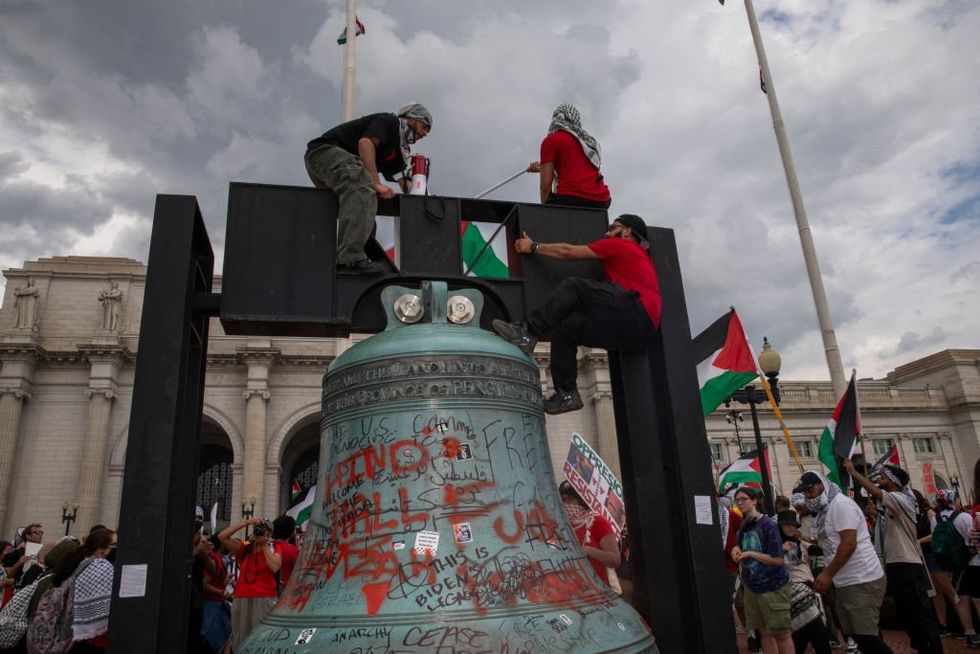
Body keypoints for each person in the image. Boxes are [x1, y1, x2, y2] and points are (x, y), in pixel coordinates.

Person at [492, 214, 661, 414]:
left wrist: (534, 246)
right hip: (639, 335)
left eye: (612, 227)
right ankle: (567, 394)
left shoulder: (621, 245)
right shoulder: (642, 260)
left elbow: (567, 251)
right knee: (566, 330)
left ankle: (528, 331)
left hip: (634, 310)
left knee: (574, 287)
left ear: (627, 231)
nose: (607, 233)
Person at [305, 103, 433, 276]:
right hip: (325, 153)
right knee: (363, 187)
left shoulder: (400, 149)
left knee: (365, 206)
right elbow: (365, 143)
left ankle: (361, 255)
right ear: (412, 118)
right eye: (425, 126)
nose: (425, 134)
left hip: (334, 169)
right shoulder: (390, 122)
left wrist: (421, 195)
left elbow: (402, 179)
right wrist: (375, 182)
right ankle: (350, 258)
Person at [844, 459, 943, 652]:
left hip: (908, 565)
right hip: (895, 565)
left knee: (920, 614)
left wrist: (854, 473)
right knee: (908, 616)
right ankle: (921, 648)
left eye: (883, 477)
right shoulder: (892, 504)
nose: (880, 479)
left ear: (893, 480)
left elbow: (876, 492)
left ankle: (933, 649)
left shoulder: (902, 498)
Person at [794, 470, 892, 654]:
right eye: (805, 492)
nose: (808, 495)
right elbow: (831, 542)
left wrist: (827, 573)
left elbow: (848, 544)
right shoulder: (825, 511)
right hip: (846, 580)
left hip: (861, 578)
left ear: (822, 485)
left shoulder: (840, 505)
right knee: (860, 636)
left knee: (867, 638)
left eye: (810, 490)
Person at [730, 486, 793, 654]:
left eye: (744, 499)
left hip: (772, 587)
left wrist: (750, 553)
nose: (740, 503)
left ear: (754, 501)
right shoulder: (745, 525)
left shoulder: (768, 525)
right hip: (752, 588)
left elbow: (778, 560)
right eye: (737, 500)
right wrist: (736, 549)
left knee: (781, 633)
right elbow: (740, 545)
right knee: (764, 633)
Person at [526, 104, 610, 209]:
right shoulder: (587, 141)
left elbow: (545, 187)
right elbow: (577, 169)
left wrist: (546, 213)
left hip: (570, 198)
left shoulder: (550, 141)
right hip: (601, 200)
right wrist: (541, 168)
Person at [218, 517, 282, 650]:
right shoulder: (245, 548)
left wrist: (263, 545)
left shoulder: (274, 547)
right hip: (242, 597)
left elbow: (274, 567)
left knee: (262, 639)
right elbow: (222, 537)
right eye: (258, 529)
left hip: (264, 598)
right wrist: (246, 522)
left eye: (264, 530)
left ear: (269, 534)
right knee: (241, 639)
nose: (259, 532)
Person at [776, 510, 832, 654]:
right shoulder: (775, 545)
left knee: (802, 634)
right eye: (787, 525)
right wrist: (781, 550)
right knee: (817, 632)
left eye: (793, 525)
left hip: (807, 589)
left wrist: (816, 541)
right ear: (780, 527)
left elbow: (816, 549)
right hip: (793, 590)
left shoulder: (798, 542)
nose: (790, 528)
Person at [557, 481, 620, 586]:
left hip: (595, 591)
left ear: (580, 500)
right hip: (569, 590)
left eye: (567, 499)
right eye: (562, 500)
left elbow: (615, 560)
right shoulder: (562, 525)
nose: (564, 504)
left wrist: (588, 551)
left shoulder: (597, 522)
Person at [270, 516, 299, 593]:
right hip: (285, 590)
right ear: (291, 531)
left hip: (268, 590)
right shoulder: (292, 550)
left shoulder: (268, 546)